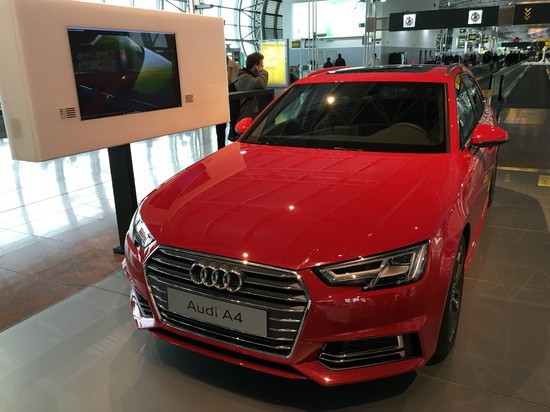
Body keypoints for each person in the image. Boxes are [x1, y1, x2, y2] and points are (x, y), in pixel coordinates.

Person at [234, 52, 269, 123]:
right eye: (261, 65)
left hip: (249, 116)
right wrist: (262, 71)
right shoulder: (244, 78)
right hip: (245, 117)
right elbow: (261, 83)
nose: (262, 67)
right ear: (255, 67)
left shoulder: (249, 77)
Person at [216, 56, 241, 149]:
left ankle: (235, 148)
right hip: (220, 100)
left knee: (233, 124)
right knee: (220, 127)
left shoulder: (236, 66)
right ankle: (221, 148)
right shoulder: (215, 68)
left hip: (232, 100)